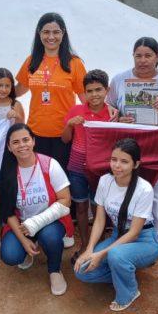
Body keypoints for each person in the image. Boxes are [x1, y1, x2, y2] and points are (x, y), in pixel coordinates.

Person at [74, 139, 158, 311]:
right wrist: (90, 249)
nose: (117, 166)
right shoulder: (105, 181)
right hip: (117, 236)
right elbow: (99, 219)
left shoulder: (144, 189)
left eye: (124, 161)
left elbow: (135, 232)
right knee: (82, 271)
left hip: (144, 240)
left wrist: (101, 254)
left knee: (116, 255)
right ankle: (124, 271)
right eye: (114, 159)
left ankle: (129, 292)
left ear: (136, 164)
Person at [0, 123, 73, 296]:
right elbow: (8, 212)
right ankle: (27, 250)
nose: (22, 145)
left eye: (26, 140)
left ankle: (54, 270)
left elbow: (66, 200)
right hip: (22, 225)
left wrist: (37, 222)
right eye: (15, 142)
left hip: (50, 222)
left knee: (50, 238)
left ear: (33, 141)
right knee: (10, 256)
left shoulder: (49, 164)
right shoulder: (7, 171)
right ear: (9, 147)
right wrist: (24, 241)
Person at [15, 12, 87, 169]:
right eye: (46, 32)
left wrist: (106, 109)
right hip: (35, 134)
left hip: (64, 135)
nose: (51, 37)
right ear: (39, 34)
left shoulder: (74, 63)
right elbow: (18, 90)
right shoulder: (31, 61)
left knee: (61, 182)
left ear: (63, 33)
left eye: (56, 32)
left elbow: (86, 99)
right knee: (40, 181)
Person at [62, 69, 112, 261]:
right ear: (84, 92)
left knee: (100, 207)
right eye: (89, 91)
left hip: (101, 169)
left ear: (107, 90)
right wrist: (70, 125)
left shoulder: (112, 113)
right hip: (77, 167)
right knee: (81, 208)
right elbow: (65, 139)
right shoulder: (76, 110)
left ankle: (99, 245)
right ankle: (84, 244)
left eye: (98, 89)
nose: (94, 95)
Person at [0, 68, 25, 250]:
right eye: (0, 85)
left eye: (7, 85)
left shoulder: (15, 105)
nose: (3, 89)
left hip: (10, 155)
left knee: (11, 191)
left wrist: (15, 118)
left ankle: (14, 226)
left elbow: (23, 130)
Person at [107, 37, 158, 124]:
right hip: (125, 133)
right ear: (133, 56)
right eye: (138, 56)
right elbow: (108, 107)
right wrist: (118, 118)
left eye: (148, 56)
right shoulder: (118, 80)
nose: (142, 60)